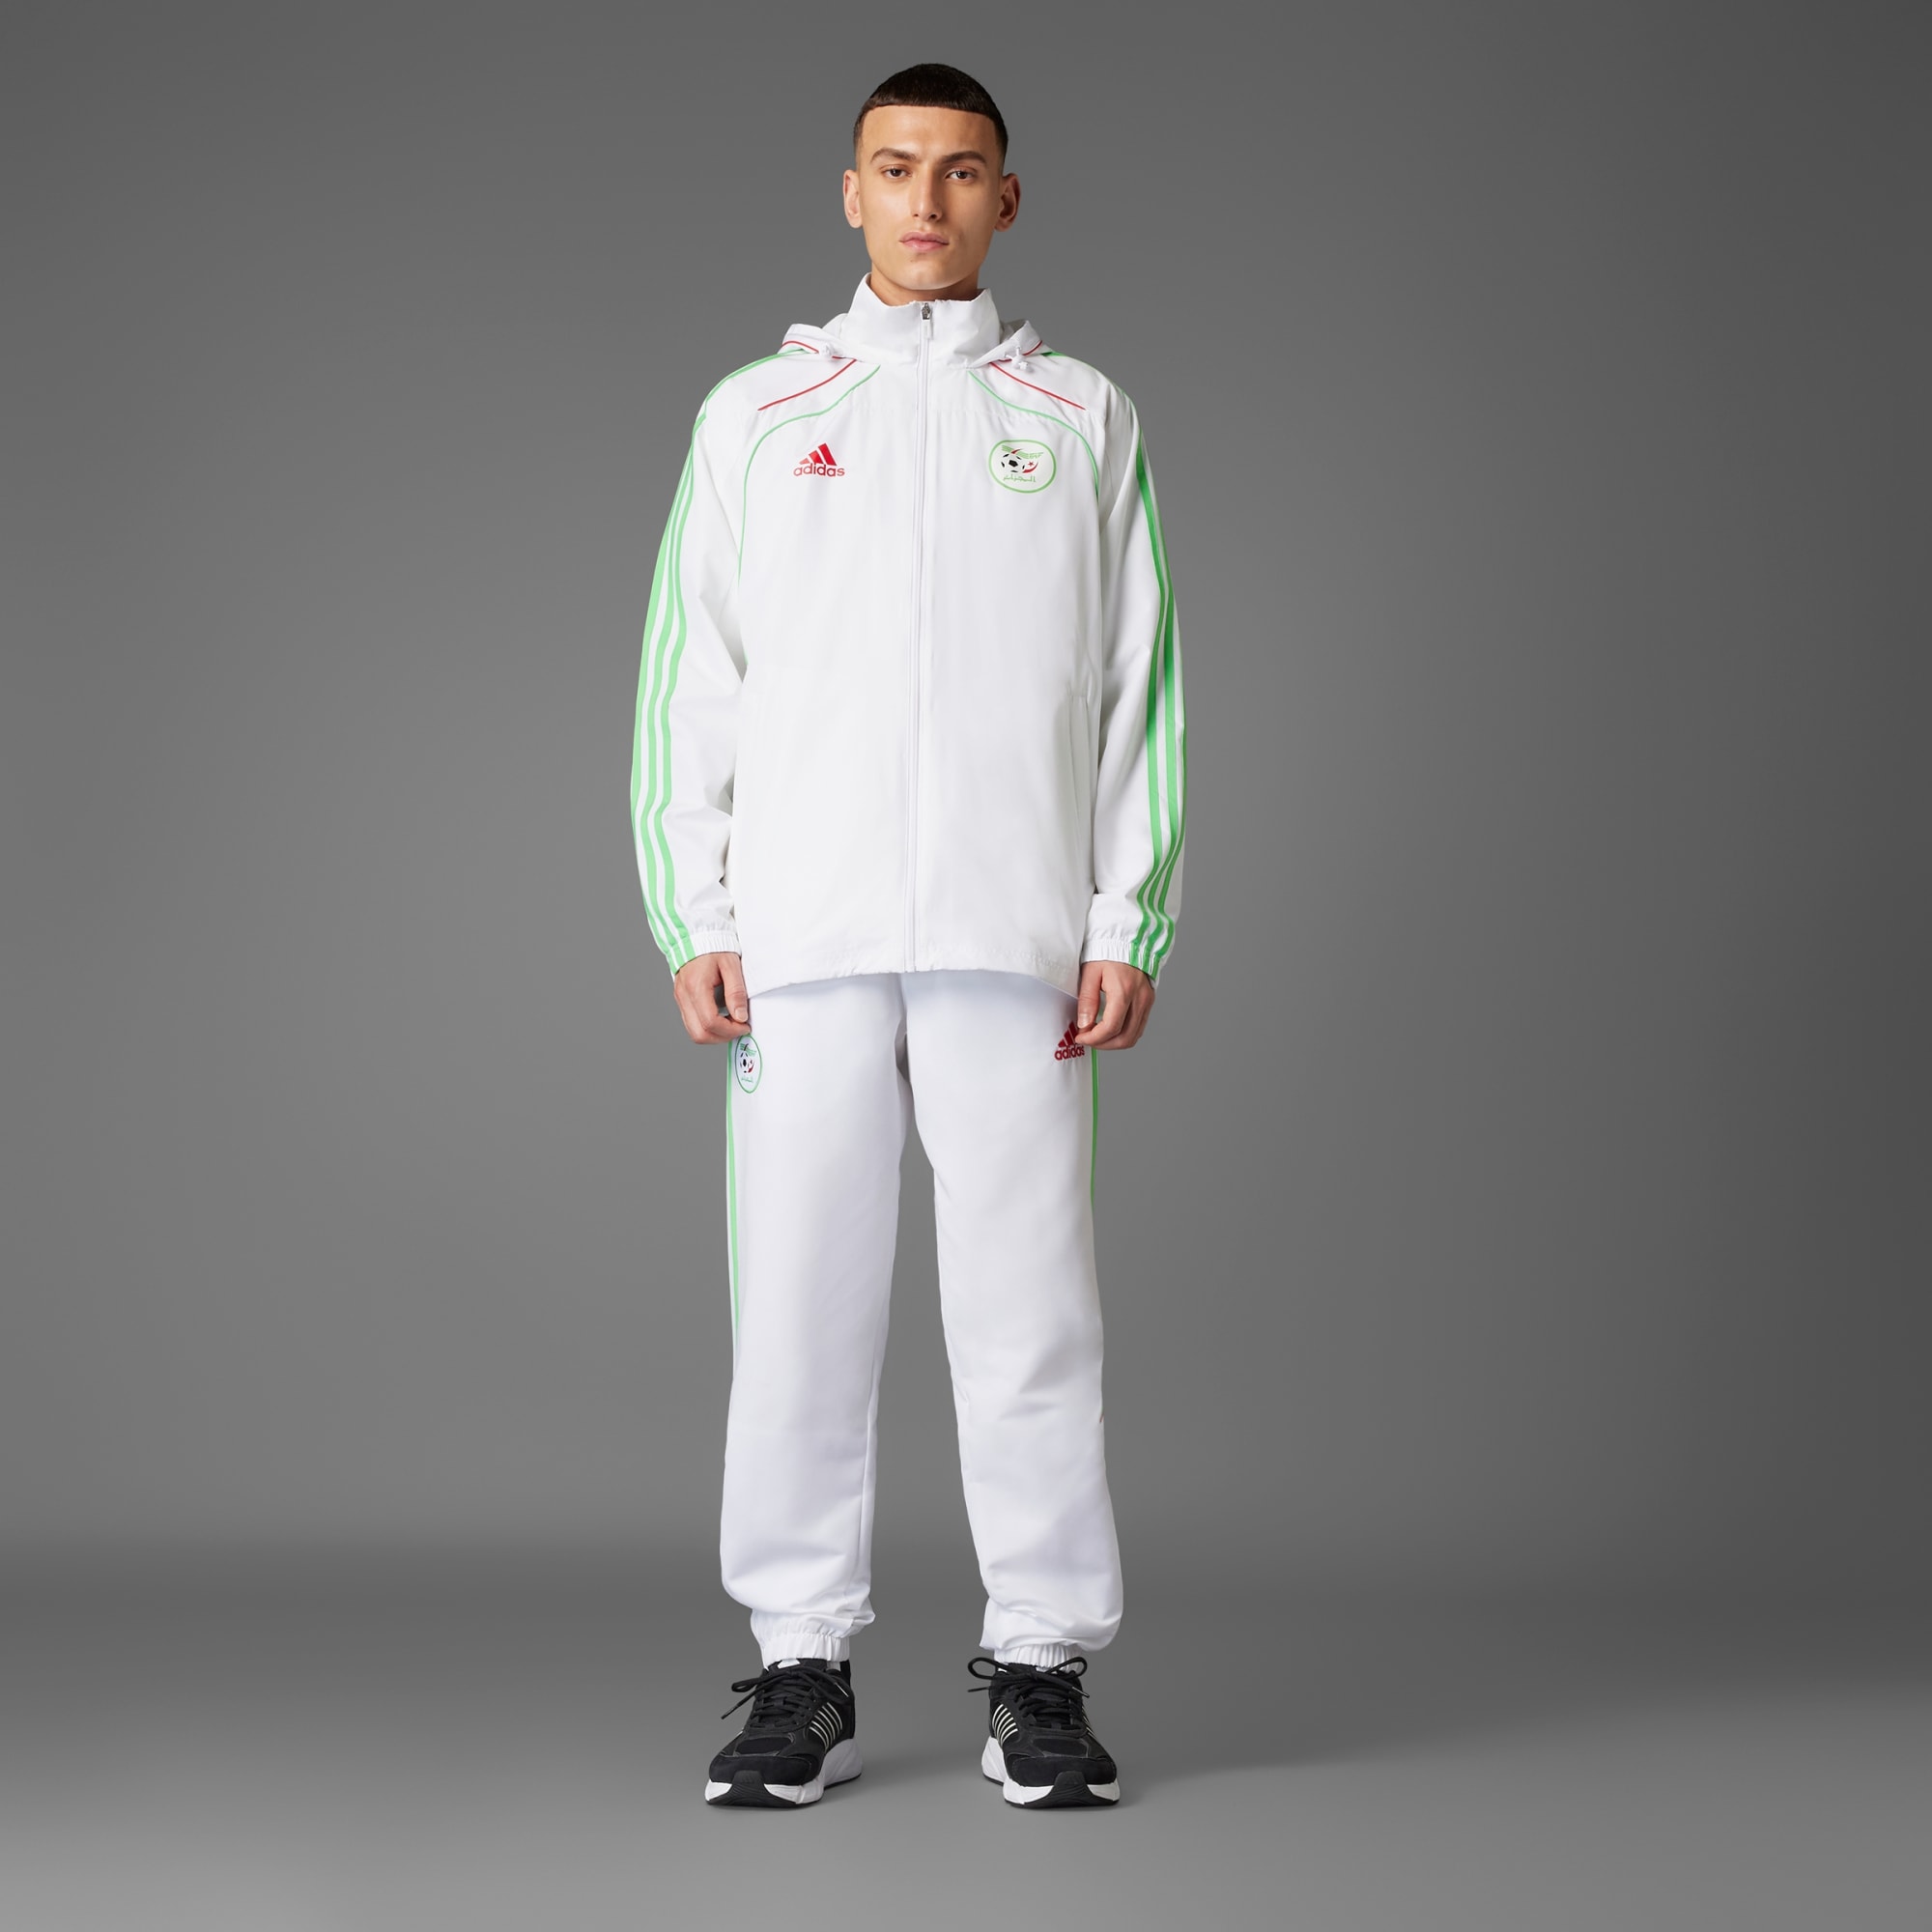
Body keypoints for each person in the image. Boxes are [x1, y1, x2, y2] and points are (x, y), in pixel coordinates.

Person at [629, 62, 1185, 1810]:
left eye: (959, 172)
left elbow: (1138, 685)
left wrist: (1128, 912)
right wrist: (695, 906)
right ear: (851, 192)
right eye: (895, 169)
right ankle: (800, 1664)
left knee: (1031, 1315)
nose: (926, 201)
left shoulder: (1080, 417)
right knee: (800, 1308)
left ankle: (1044, 1667)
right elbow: (692, 677)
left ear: (1005, 199)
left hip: (1017, 940)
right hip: (803, 938)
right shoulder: (756, 413)